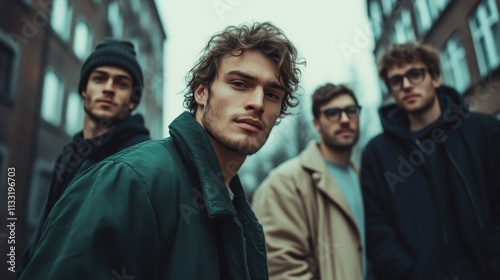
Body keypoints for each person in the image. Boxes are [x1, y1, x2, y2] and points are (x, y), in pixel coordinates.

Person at [19, 21, 304, 280]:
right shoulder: (133, 180)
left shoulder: (238, 210)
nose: (257, 102)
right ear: (201, 92)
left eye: (272, 94)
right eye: (240, 84)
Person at [360, 42, 500, 280]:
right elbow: (377, 230)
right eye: (396, 80)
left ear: (435, 77)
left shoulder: (485, 131)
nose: (406, 85)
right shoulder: (376, 154)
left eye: (415, 74)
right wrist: (408, 272)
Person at [18, 38, 150, 277]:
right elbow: (43, 236)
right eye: (99, 78)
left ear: (133, 100)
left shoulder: (141, 161)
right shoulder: (68, 157)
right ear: (83, 89)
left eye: (121, 83)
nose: (108, 88)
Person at [253, 83, 367, 279]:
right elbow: (282, 270)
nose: (345, 120)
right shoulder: (285, 183)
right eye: (333, 113)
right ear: (316, 123)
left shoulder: (363, 178)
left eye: (351, 111)